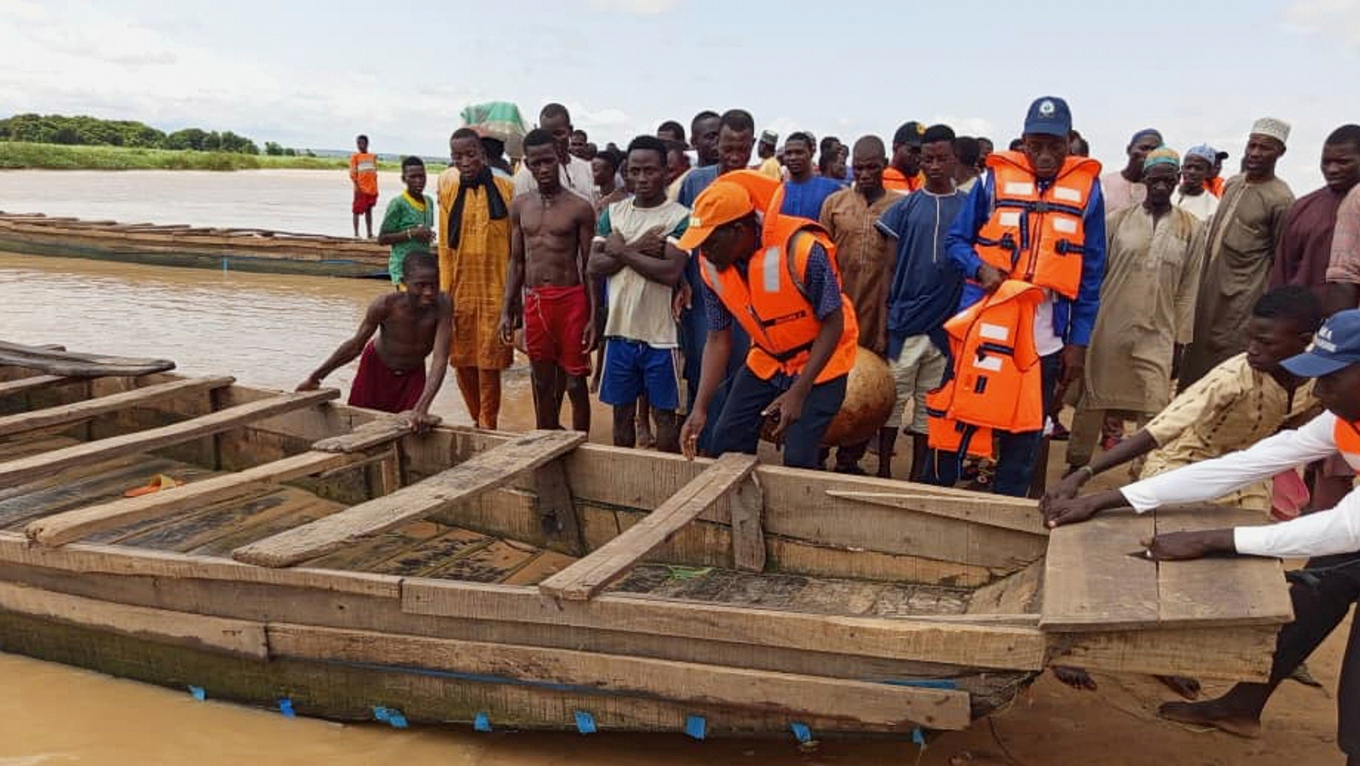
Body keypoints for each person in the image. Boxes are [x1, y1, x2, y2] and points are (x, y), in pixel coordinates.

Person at [1043, 309, 1360, 766]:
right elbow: (1245, 465)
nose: (1320, 390)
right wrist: (1110, 498)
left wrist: (1214, 539)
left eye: (1331, 378)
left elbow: (1346, 527)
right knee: (1313, 597)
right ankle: (1242, 706)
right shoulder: (1339, 417)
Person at [923, 96, 1106, 497]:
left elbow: (1091, 275)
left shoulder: (1088, 193)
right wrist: (980, 268)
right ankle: (936, 495)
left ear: (1070, 143)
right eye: (1035, 144)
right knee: (960, 415)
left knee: (1026, 429)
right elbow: (956, 242)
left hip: (1044, 338)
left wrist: (1078, 341)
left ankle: (1008, 506)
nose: (1044, 155)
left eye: (1054, 146)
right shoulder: (993, 182)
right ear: (1022, 141)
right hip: (984, 326)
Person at [1050, 285, 1321, 511]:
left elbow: (1293, 426)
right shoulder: (1231, 379)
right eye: (1250, 339)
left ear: (1304, 341)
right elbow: (1156, 433)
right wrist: (1083, 474)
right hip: (1184, 465)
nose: (1252, 350)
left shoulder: (1320, 381)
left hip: (1242, 474)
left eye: (1266, 342)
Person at [677, 170, 859, 469]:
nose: (704, 252)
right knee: (726, 441)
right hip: (768, 359)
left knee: (798, 458)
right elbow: (717, 338)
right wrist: (699, 409)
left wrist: (798, 392)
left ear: (737, 230)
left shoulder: (803, 250)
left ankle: (801, 511)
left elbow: (833, 324)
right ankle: (746, 510)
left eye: (710, 242)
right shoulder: (711, 266)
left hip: (822, 361)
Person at [1064, 148, 1206, 473]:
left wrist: (1181, 341)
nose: (1160, 186)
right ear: (1144, 179)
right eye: (1155, 179)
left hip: (1159, 331)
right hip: (1108, 325)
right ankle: (1077, 464)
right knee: (1093, 399)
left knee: (1156, 404)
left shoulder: (1192, 228)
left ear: (1176, 181)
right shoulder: (1116, 222)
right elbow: (1094, 275)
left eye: (1167, 180)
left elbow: (1189, 287)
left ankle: (1144, 470)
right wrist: (1083, 330)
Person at [874, 126, 969, 481]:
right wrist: (885, 320)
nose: (934, 165)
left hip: (946, 327)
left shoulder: (968, 208)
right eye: (927, 159)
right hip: (906, 321)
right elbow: (889, 268)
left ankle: (919, 473)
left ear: (954, 160)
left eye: (941, 158)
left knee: (931, 405)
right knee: (892, 400)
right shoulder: (904, 207)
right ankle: (883, 467)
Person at [588, 136, 690, 452]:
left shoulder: (680, 216)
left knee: (665, 417)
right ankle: (622, 482)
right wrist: (637, 249)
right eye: (635, 171)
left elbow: (670, 272)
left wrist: (619, 251)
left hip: (663, 336)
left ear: (665, 172)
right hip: (619, 333)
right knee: (621, 417)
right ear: (626, 172)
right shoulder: (613, 213)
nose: (642, 179)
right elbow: (594, 265)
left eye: (650, 171)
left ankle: (666, 483)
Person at [1180, 118, 1296, 389]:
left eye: (1264, 148)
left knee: (1229, 367)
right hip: (1208, 290)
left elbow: (1281, 259)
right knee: (1195, 360)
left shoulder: (1280, 199)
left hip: (1242, 298)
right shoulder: (1232, 184)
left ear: (1280, 153)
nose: (1255, 153)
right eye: (1252, 145)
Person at [501, 129, 599, 433]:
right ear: (526, 164)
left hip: (571, 299)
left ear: (558, 158)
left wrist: (595, 316)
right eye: (536, 163)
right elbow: (516, 260)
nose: (543, 169)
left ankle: (583, 443)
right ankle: (546, 436)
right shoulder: (520, 206)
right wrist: (508, 309)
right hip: (536, 300)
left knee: (574, 381)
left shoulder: (579, 207)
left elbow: (590, 266)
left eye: (548, 161)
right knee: (541, 378)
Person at [818, 134, 903, 474]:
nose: (865, 174)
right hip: (835, 310)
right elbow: (819, 257)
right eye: (860, 167)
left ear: (884, 166)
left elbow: (895, 267)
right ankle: (818, 452)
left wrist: (885, 324)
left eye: (872, 167)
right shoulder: (835, 203)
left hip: (874, 312)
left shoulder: (898, 206)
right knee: (826, 385)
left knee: (868, 390)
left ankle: (849, 459)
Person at [676, 109, 758, 449]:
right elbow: (684, 234)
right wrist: (681, 281)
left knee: (742, 370)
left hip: (744, 295)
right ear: (715, 144)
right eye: (727, 146)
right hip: (701, 292)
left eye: (742, 147)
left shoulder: (758, 187)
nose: (734, 155)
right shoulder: (695, 182)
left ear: (752, 145)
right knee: (702, 367)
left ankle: (738, 445)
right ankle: (705, 442)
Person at [298, 249, 449, 431]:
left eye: (434, 285)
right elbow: (354, 346)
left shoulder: (443, 304)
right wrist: (315, 378)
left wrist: (422, 408)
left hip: (412, 374)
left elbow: (440, 358)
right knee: (359, 424)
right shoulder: (385, 305)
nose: (429, 292)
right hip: (376, 369)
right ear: (403, 283)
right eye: (421, 285)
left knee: (412, 427)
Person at [438, 128, 515, 430]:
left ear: (482, 154)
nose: (465, 161)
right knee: (461, 359)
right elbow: (444, 245)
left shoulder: (506, 188)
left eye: (470, 154)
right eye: (458, 156)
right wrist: (444, 293)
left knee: (489, 362)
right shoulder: (447, 186)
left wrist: (513, 297)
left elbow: (513, 244)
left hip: (496, 289)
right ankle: (475, 418)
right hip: (459, 288)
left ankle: (489, 422)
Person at [1270, 125, 1360, 301]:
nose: (1332, 169)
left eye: (1343, 162)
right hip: (1302, 317)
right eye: (1326, 162)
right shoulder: (1303, 207)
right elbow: (1282, 271)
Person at [514, 103, 596, 204]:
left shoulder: (586, 168)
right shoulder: (527, 174)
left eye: (559, 133)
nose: (553, 140)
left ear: (570, 131)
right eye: (547, 134)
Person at [377, 156, 435, 288]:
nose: (418, 181)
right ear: (404, 179)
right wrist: (411, 233)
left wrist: (428, 234)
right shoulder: (398, 204)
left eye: (422, 176)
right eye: (413, 177)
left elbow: (425, 230)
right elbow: (382, 239)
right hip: (403, 270)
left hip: (422, 269)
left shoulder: (429, 202)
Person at [780, 132, 844, 219]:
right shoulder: (779, 192)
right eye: (788, 153)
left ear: (811, 153)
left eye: (799, 152)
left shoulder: (832, 190)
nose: (793, 157)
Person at [1100, 128, 1163, 212]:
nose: (1149, 154)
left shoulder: (1160, 191)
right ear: (1129, 149)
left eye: (1155, 150)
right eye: (1144, 148)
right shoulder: (1104, 183)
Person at [1174, 145, 1222, 222]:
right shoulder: (1169, 193)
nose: (1192, 172)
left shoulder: (1213, 206)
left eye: (1198, 168)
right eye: (1188, 167)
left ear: (1208, 172)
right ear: (1182, 169)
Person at [349, 134, 379, 238]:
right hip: (360, 188)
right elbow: (353, 174)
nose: (359, 145)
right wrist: (357, 186)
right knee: (356, 210)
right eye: (358, 143)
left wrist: (375, 188)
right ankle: (356, 234)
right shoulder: (355, 157)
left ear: (366, 144)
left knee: (369, 211)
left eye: (361, 143)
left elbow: (374, 173)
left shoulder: (372, 157)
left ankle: (369, 233)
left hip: (371, 188)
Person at [883, 121, 925, 192]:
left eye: (922, 152)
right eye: (913, 151)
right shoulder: (879, 182)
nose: (918, 158)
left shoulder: (927, 183)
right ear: (895, 147)